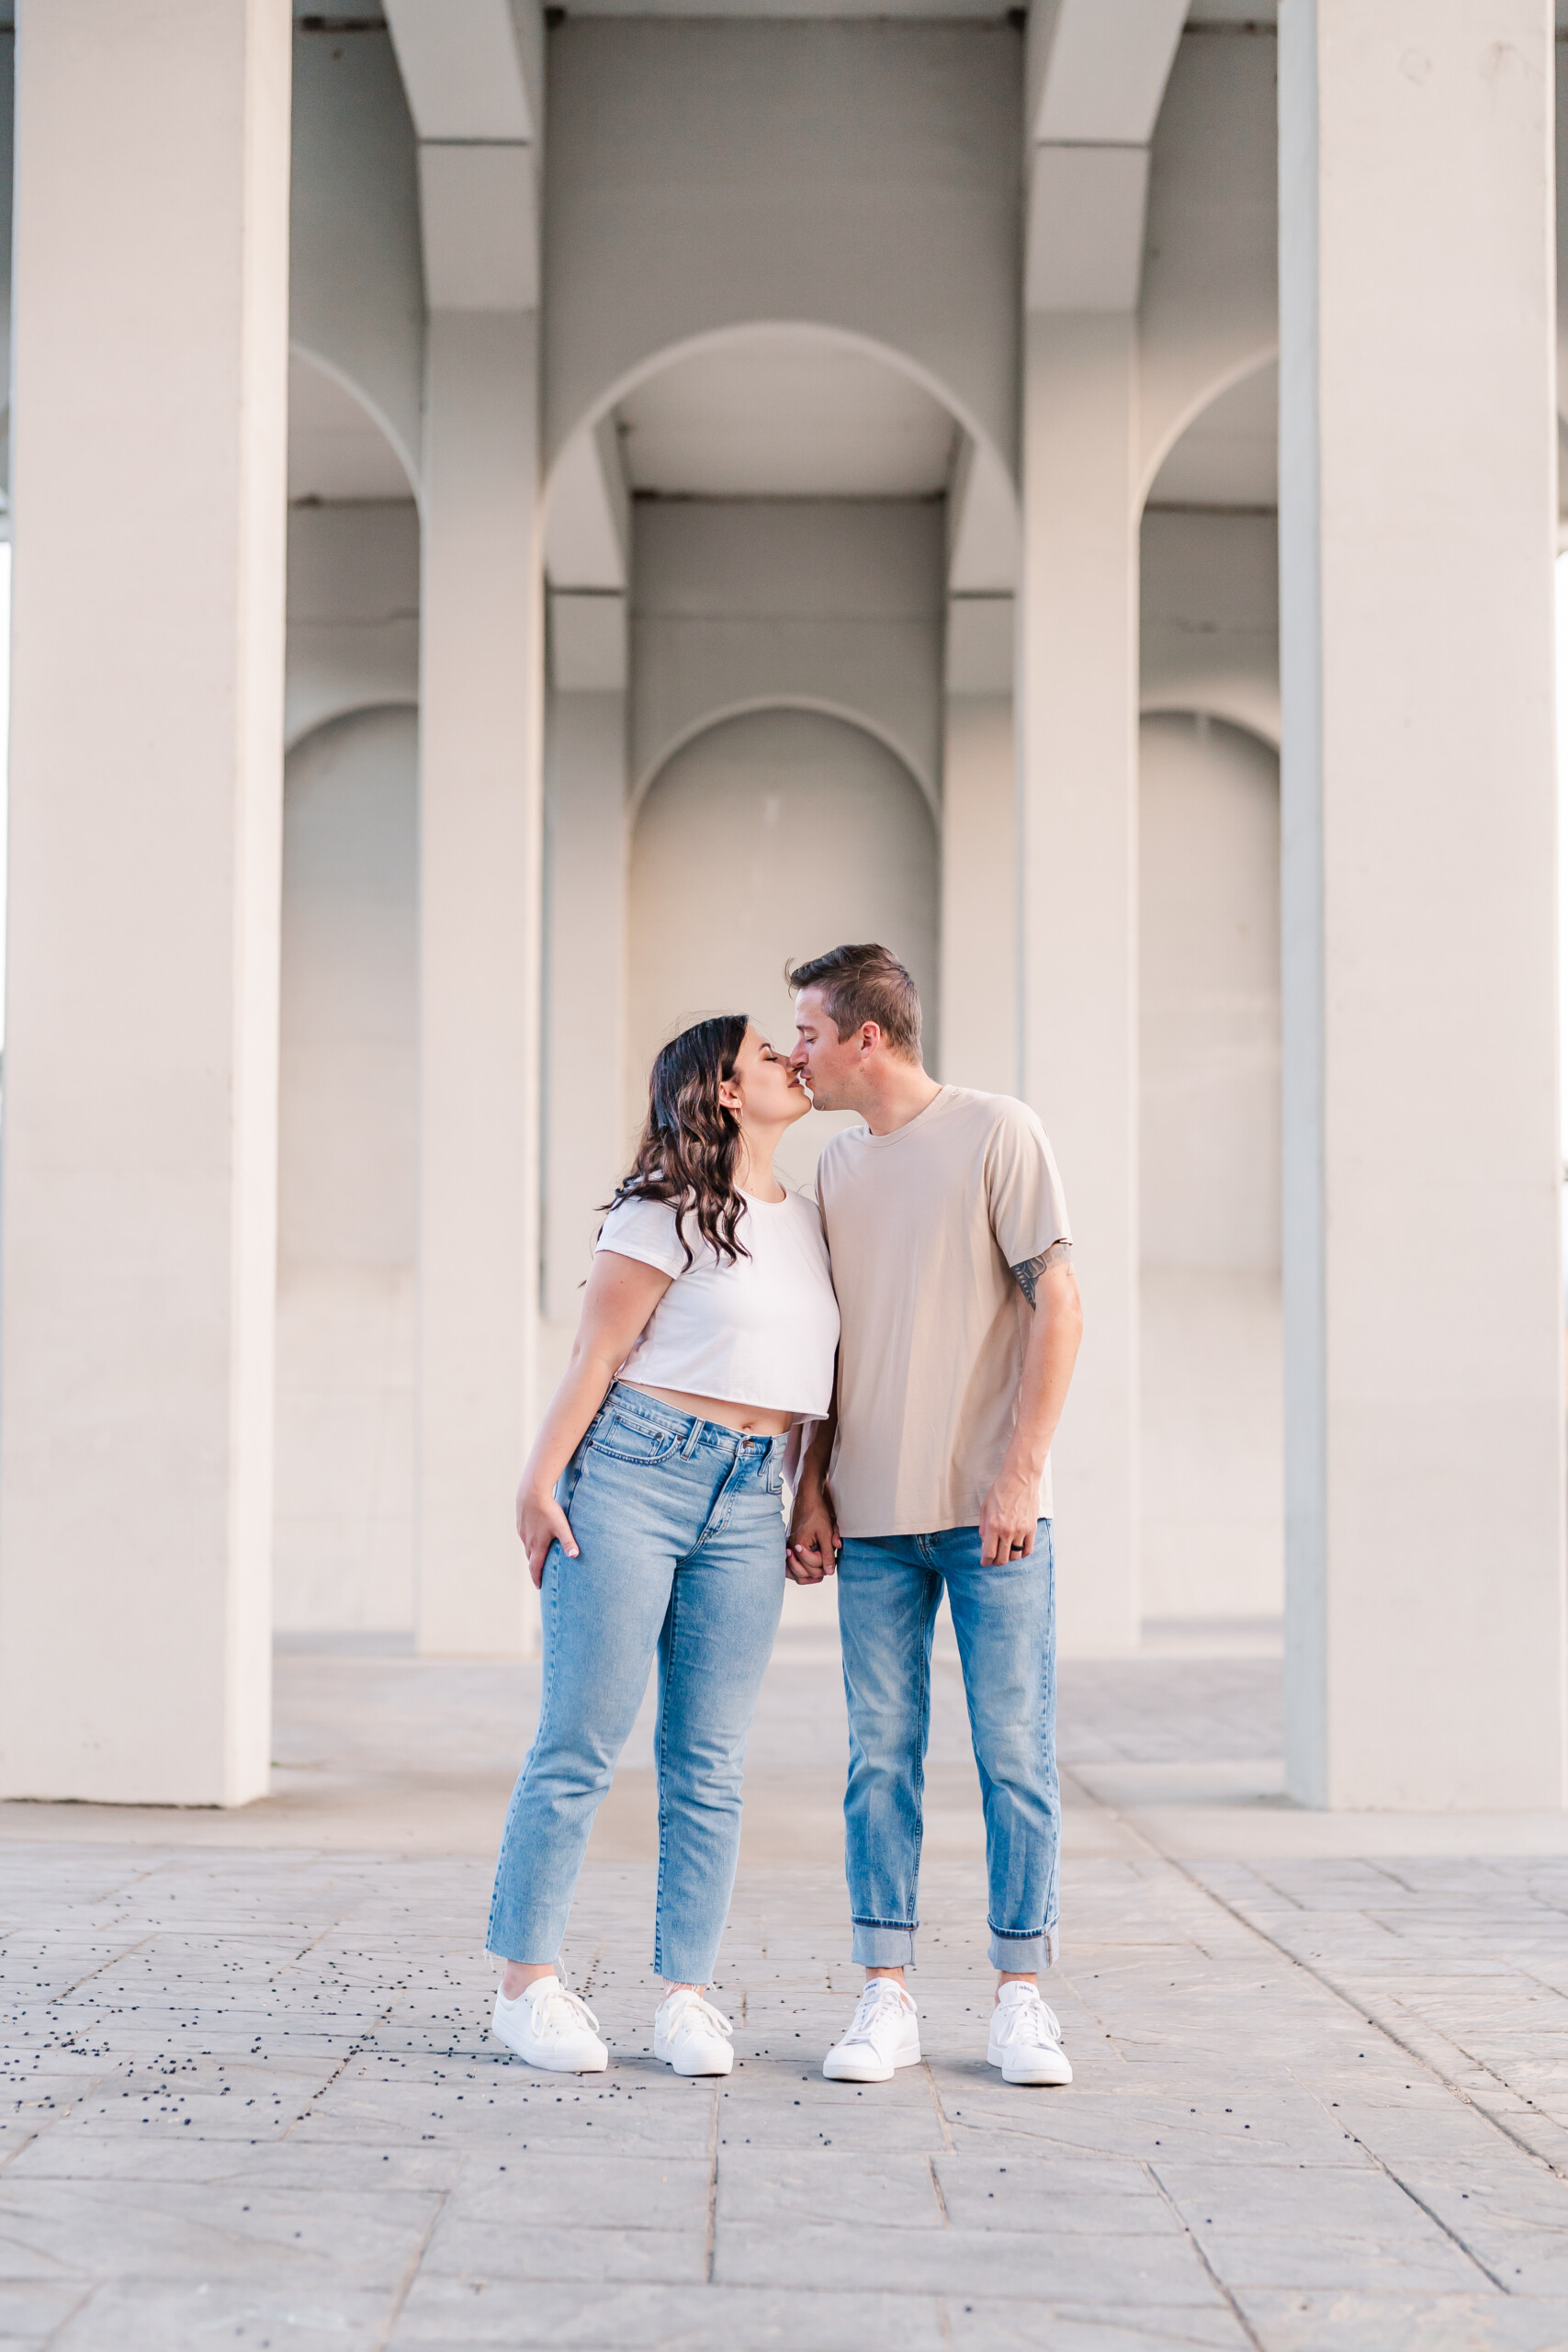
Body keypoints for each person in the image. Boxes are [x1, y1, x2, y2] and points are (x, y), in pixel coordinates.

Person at [487, 1015, 840, 2078]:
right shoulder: (665, 1207)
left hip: (750, 1496)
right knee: (580, 1743)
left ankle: (685, 1996)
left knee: (711, 1763)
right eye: (767, 1053)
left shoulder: (817, 1221)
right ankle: (526, 1986)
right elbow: (598, 1354)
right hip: (634, 1474)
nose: (790, 1058)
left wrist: (809, 1492)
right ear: (727, 1092)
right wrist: (540, 1480)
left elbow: (819, 1383)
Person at [785, 943, 1083, 2089]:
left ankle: (1021, 2000)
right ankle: (887, 1995)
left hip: (990, 1512)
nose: (794, 1051)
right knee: (880, 1760)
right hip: (868, 1521)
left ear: (868, 1035)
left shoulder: (998, 1129)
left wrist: (1020, 1472)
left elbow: (1059, 1305)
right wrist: (808, 1484)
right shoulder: (835, 1173)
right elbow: (830, 1345)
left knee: (1015, 1755)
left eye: (807, 1031)